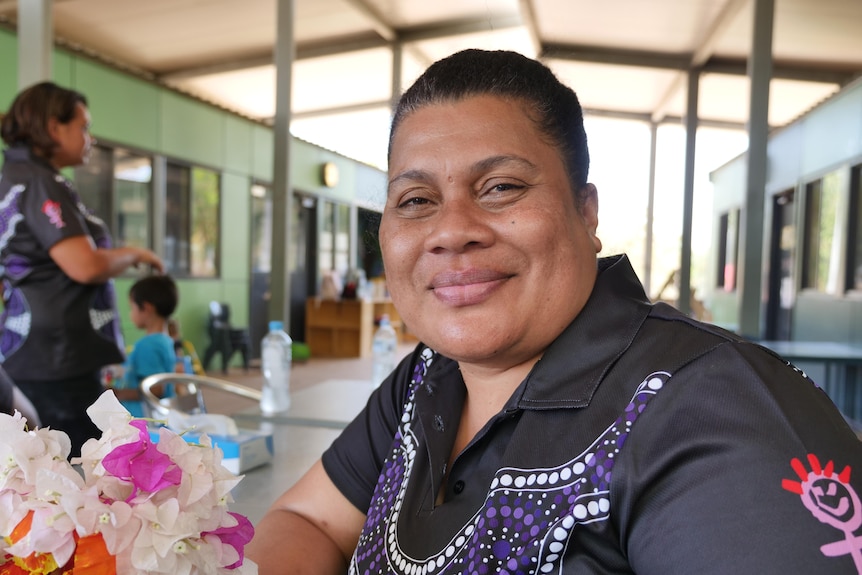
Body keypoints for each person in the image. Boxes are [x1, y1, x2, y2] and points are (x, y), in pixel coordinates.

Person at [246, 50, 862, 574]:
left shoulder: (714, 410)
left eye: (501, 187)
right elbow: (309, 520)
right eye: (415, 199)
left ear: (585, 212)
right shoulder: (428, 378)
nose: (451, 231)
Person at [0, 82, 164, 456]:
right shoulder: (41, 183)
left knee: (45, 471)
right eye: (83, 126)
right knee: (85, 467)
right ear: (55, 128)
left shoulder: (15, 179)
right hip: (58, 358)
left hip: (32, 350)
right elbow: (85, 265)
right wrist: (134, 253)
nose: (90, 137)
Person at [112, 275, 178, 417]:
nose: (131, 314)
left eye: (132, 308)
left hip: (142, 420)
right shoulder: (165, 340)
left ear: (146, 308)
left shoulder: (148, 345)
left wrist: (118, 393)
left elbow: (155, 389)